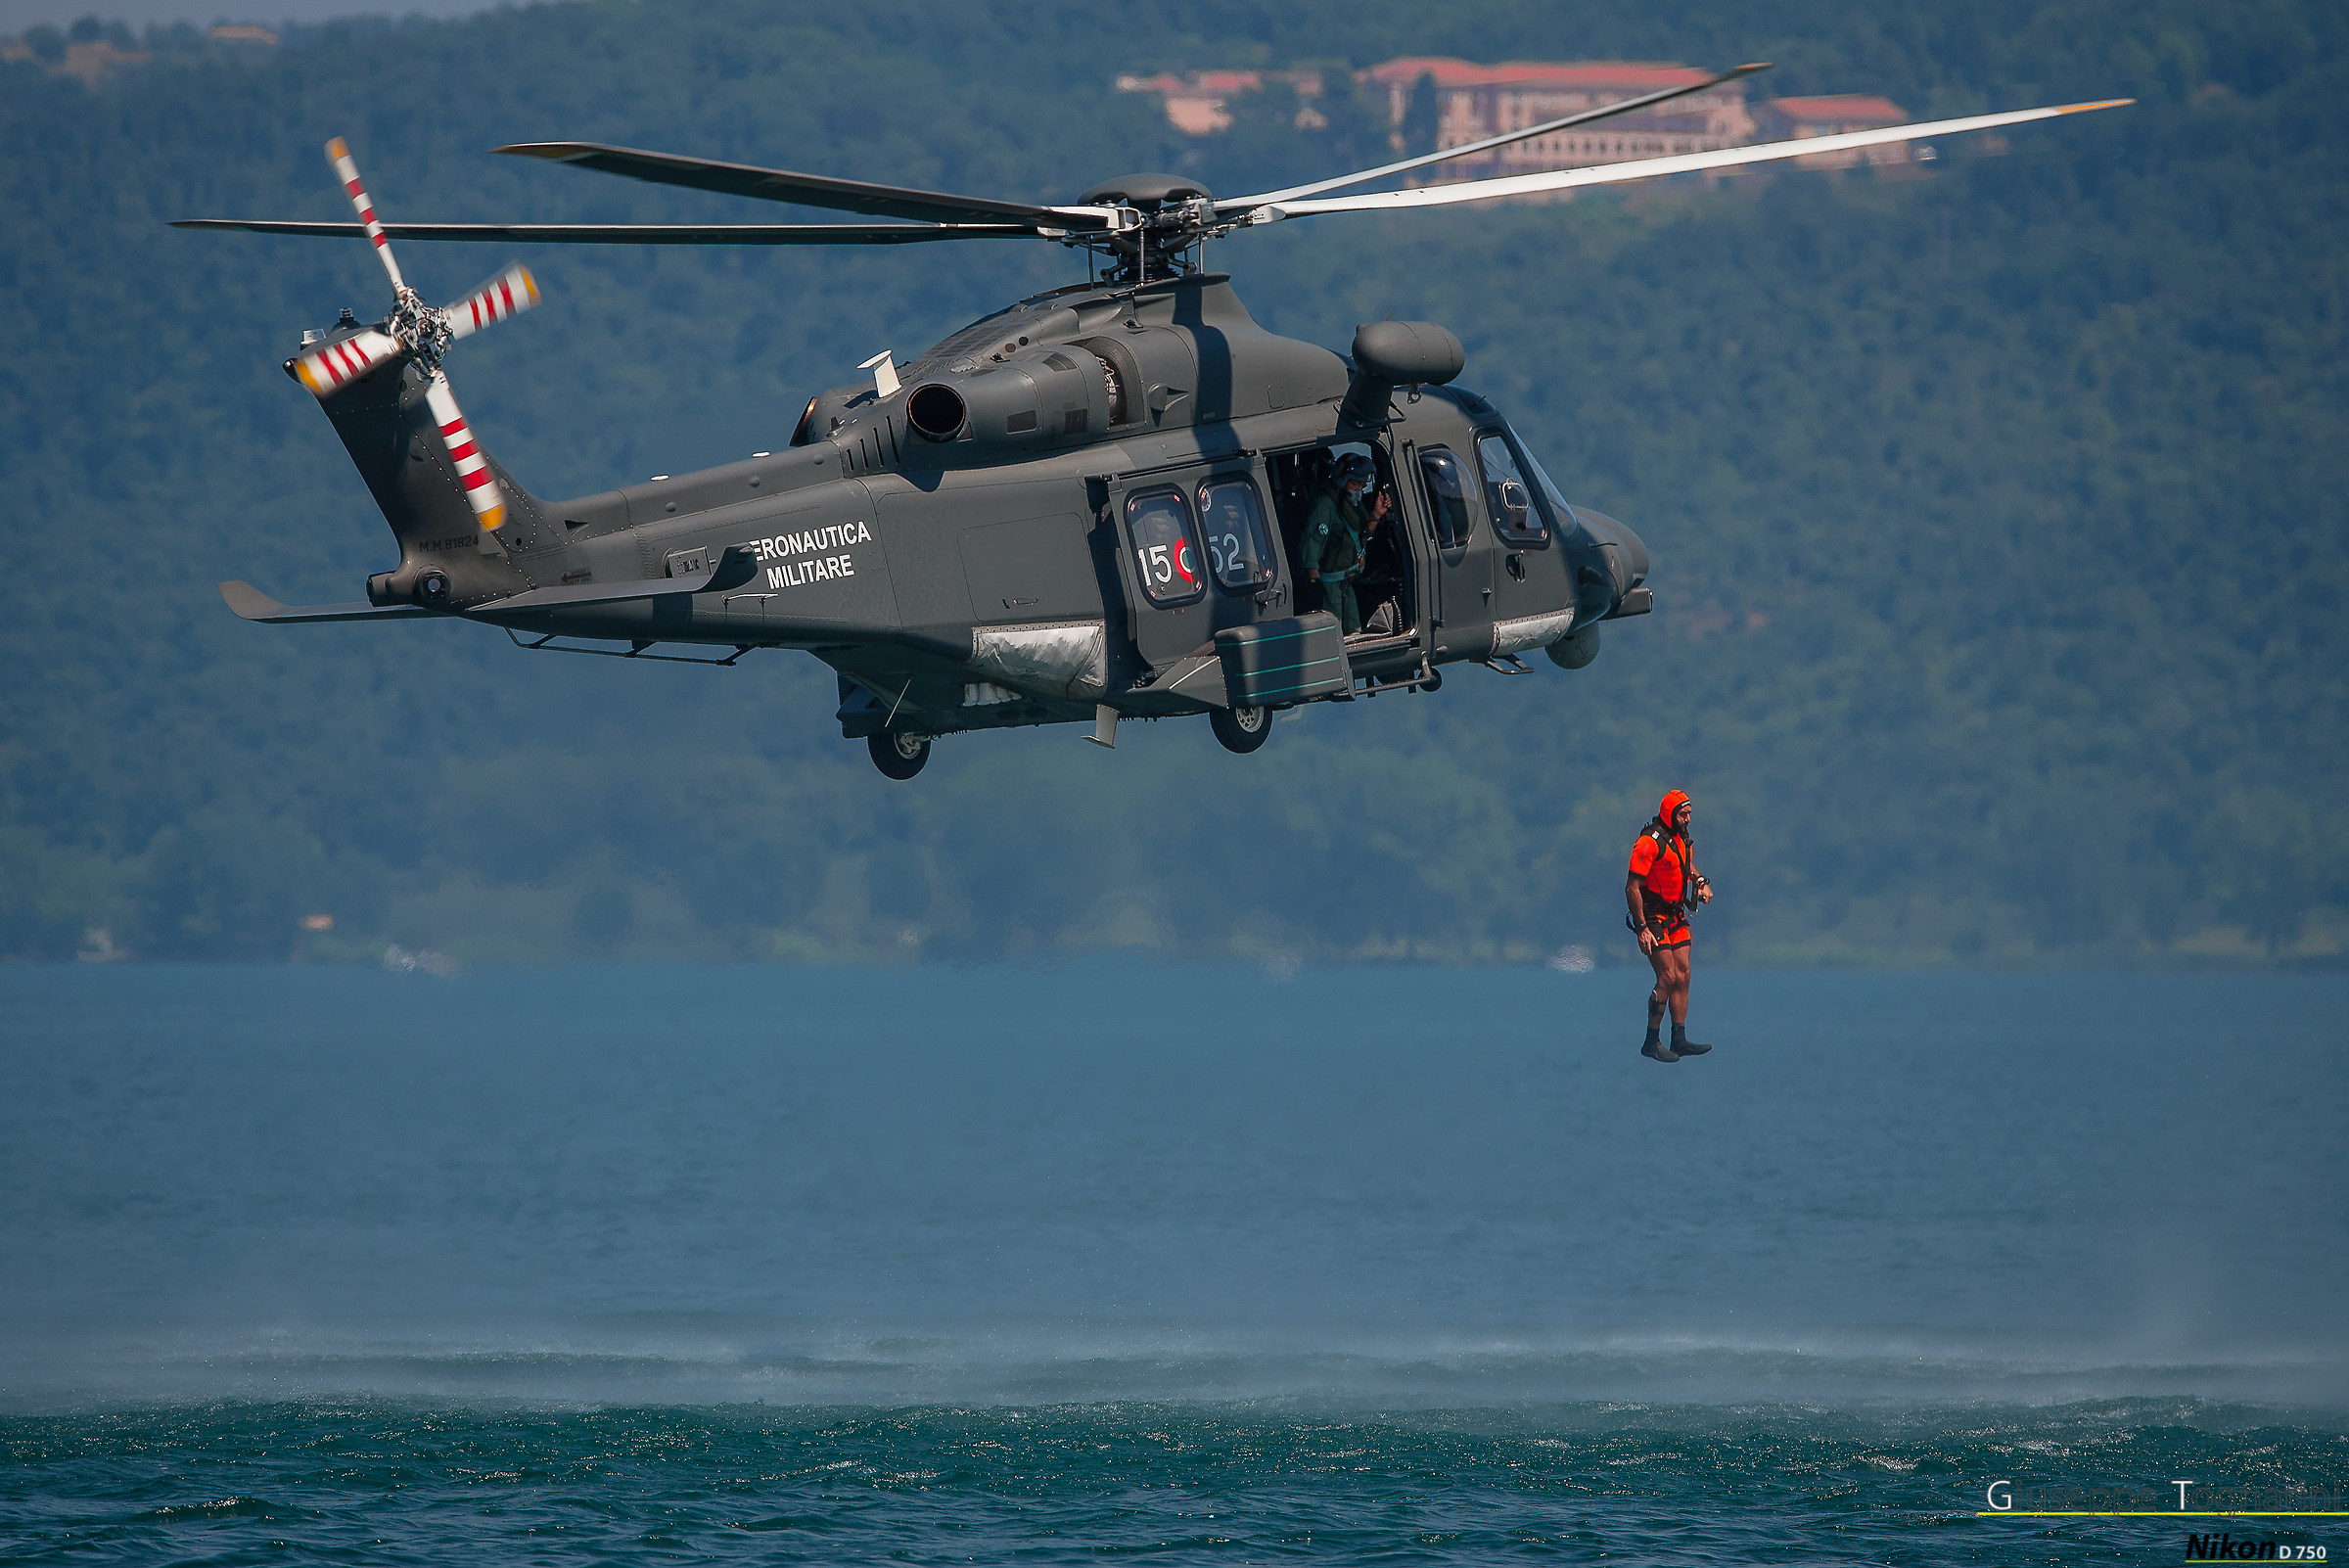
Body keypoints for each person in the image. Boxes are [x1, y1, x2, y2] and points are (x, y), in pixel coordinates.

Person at [1627, 789, 1713, 1062]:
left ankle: (1679, 1037)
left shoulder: (1683, 841)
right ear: (1669, 813)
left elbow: (1687, 867)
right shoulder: (1648, 843)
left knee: (1683, 974)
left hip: (1675, 915)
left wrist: (1700, 883)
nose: (1687, 819)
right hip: (1652, 917)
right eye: (1683, 814)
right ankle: (1651, 1040)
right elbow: (1632, 887)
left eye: (1689, 814)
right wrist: (1642, 928)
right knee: (1668, 976)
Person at [1302, 453, 1371, 634]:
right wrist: (1314, 583)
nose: (1358, 489)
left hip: (1346, 582)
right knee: (1333, 634)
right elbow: (1313, 545)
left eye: (1361, 485)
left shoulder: (1349, 505)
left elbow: (1363, 532)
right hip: (1330, 584)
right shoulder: (1325, 504)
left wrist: (1378, 513)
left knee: (1355, 630)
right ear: (1341, 480)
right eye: (1354, 483)